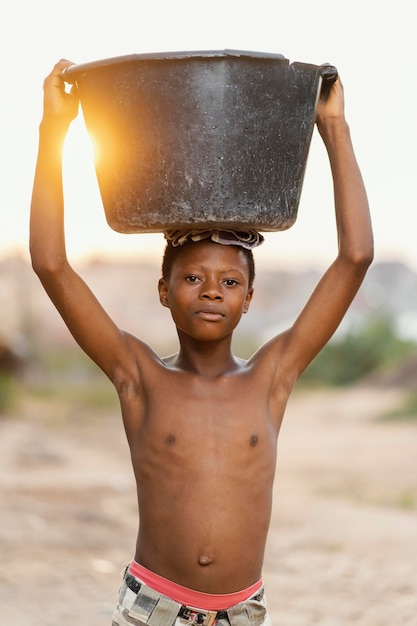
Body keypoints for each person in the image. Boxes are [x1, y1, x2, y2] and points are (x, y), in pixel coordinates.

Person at [30, 59, 373, 626]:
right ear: (164, 291)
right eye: (193, 278)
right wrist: (54, 129)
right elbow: (51, 264)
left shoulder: (272, 376)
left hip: (242, 613)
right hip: (151, 609)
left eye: (230, 281)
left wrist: (333, 125)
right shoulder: (138, 376)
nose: (212, 292)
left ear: (250, 297)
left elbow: (355, 257)